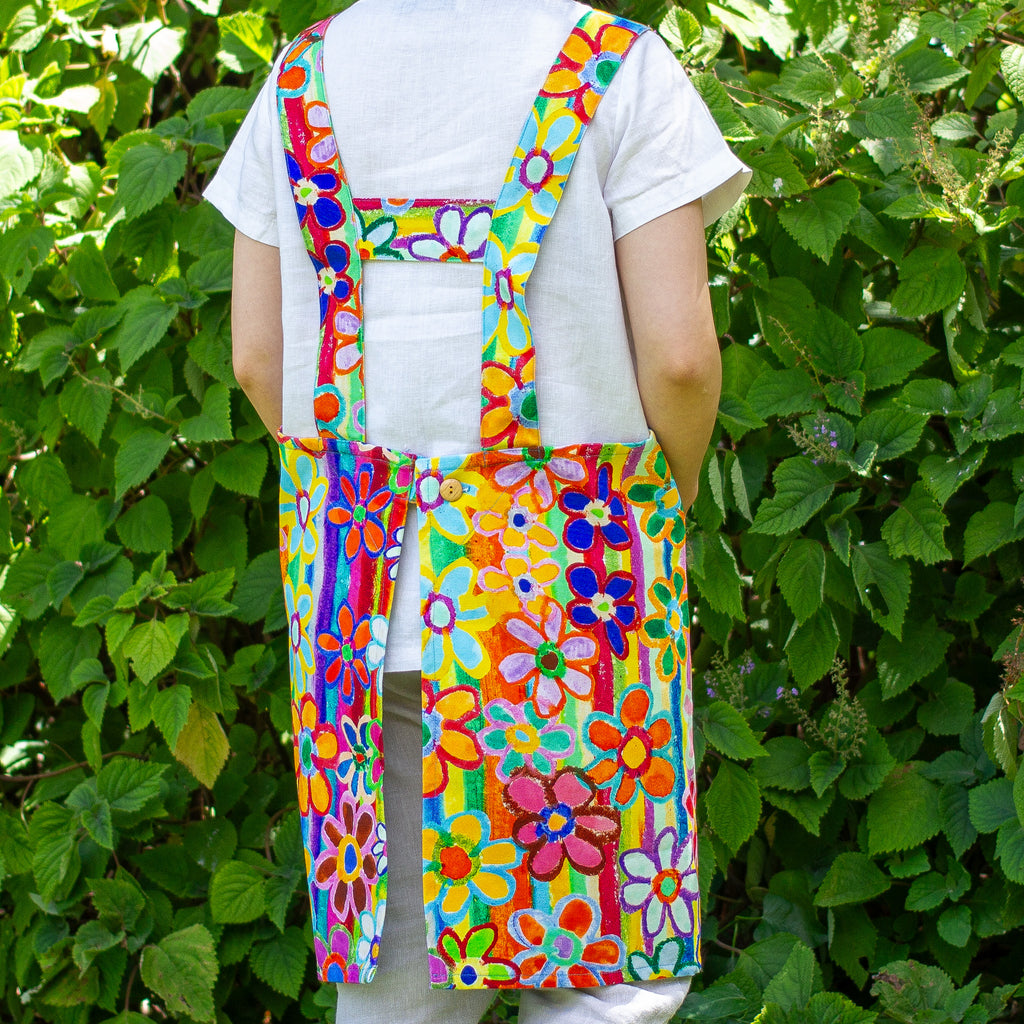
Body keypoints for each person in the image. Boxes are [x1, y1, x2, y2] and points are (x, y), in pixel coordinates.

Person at [204, 2, 749, 1022]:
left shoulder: (298, 78)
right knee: (604, 978)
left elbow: (257, 358)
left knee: (397, 991)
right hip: (570, 599)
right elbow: (680, 358)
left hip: (359, 601)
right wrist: (656, 505)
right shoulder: (616, 68)